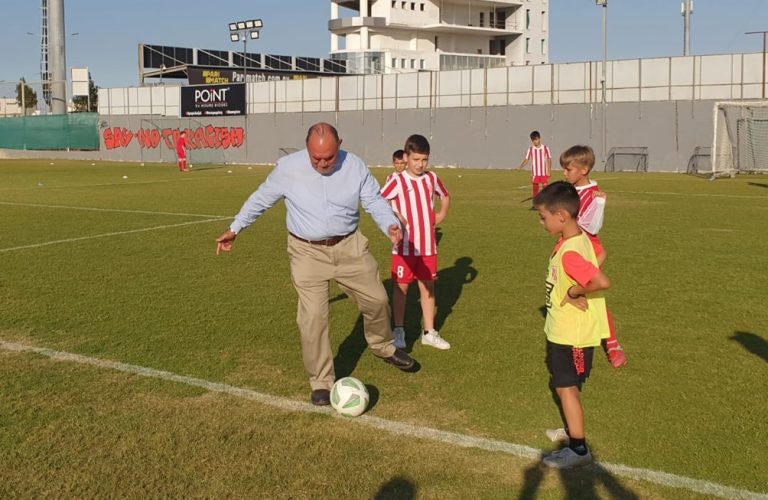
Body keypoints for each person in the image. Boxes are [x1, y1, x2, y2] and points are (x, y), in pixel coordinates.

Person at [215, 122, 416, 406]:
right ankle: (321, 380)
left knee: (377, 300)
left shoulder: (355, 166)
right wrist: (235, 228)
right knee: (313, 318)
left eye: (329, 157)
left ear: (340, 145)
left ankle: (383, 346)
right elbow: (260, 199)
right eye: (316, 158)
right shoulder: (288, 168)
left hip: (350, 247)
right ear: (307, 149)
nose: (322, 163)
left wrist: (391, 225)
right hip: (307, 252)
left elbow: (374, 200)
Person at [533, 181, 611, 469]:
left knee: (567, 388)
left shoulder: (570, 251)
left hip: (573, 334)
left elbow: (601, 281)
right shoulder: (576, 241)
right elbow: (600, 257)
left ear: (562, 217)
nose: (542, 222)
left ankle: (578, 449)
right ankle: (571, 430)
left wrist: (575, 291)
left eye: (544, 217)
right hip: (562, 330)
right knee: (564, 385)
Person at [381, 134, 451, 350]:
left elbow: (445, 195)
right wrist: (396, 216)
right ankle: (399, 330)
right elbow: (379, 200)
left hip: (428, 246)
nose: (420, 164)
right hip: (405, 247)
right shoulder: (397, 180)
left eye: (424, 160)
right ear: (406, 157)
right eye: (416, 160)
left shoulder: (431, 178)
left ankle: (429, 332)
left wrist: (441, 215)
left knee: (428, 287)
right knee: (401, 289)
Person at [561, 145, 628, 368]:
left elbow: (592, 227)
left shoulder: (594, 194)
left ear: (584, 169)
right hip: (569, 251)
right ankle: (576, 345)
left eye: (568, 169)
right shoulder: (568, 189)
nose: (564, 173)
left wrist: (599, 204)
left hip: (588, 253)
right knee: (571, 301)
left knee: (593, 302)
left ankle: (612, 344)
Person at [517, 130, 552, 204]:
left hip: (544, 172)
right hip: (535, 173)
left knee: (545, 186)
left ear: (539, 138)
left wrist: (548, 170)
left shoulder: (545, 148)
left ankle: (547, 202)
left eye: (536, 139)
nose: (535, 141)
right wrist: (520, 166)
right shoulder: (530, 149)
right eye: (533, 140)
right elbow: (526, 159)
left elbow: (549, 159)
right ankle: (535, 203)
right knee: (535, 188)